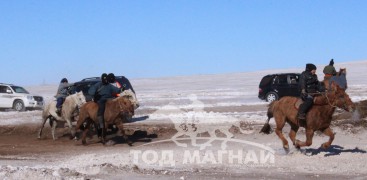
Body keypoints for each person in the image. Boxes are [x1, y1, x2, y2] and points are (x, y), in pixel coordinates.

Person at [88, 73, 121, 138]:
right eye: (104, 79)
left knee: (117, 106)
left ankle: (117, 120)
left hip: (109, 99)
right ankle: (101, 124)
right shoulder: (98, 85)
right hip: (101, 100)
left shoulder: (109, 85)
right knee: (101, 109)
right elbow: (91, 91)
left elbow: (116, 90)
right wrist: (94, 93)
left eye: (106, 79)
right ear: (102, 79)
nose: (106, 80)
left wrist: (120, 89)